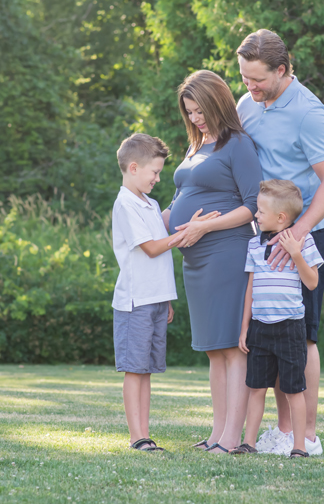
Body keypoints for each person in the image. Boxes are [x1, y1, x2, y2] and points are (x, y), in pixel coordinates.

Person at [236, 29, 324, 457]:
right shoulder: (248, 105)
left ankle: (308, 436)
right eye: (244, 78)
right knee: (273, 331)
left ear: (282, 70)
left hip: (304, 234)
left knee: (303, 337)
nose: (249, 87)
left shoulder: (309, 113)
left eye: (257, 79)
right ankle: (282, 432)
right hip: (264, 234)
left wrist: (296, 235)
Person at [163, 70, 262, 454]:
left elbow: (252, 207)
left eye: (200, 110)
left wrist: (205, 228)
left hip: (227, 253)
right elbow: (179, 200)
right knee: (213, 350)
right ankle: (217, 432)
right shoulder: (196, 146)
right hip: (195, 260)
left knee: (231, 347)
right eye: (189, 112)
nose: (195, 118)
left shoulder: (237, 144)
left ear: (217, 102)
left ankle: (231, 438)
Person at [111, 133, 216, 452]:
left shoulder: (151, 204)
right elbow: (154, 248)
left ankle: (145, 433)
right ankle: (137, 436)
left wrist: (167, 297)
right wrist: (184, 233)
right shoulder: (125, 205)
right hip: (135, 301)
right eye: (154, 172)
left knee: (147, 370)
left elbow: (162, 245)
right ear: (133, 168)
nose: (158, 178)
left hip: (155, 300)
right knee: (135, 369)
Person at [233, 180, 323, 458]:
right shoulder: (253, 245)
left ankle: (298, 446)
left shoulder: (303, 241)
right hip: (260, 327)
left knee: (293, 389)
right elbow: (250, 288)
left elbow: (312, 282)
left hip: (290, 328)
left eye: (260, 211)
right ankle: (249, 442)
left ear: (281, 217)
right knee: (256, 387)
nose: (256, 215)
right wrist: (245, 327)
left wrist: (296, 255)